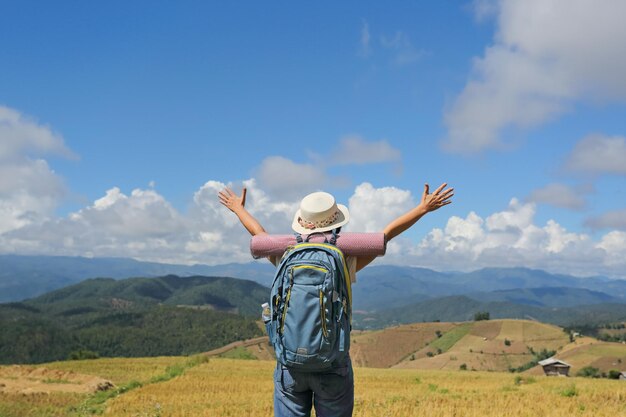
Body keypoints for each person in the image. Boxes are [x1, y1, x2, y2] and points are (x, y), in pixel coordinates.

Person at [218, 182, 453, 417]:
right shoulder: (343, 260)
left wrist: (238, 209)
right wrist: (422, 209)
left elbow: (259, 236)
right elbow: (385, 236)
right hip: (332, 364)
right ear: (336, 226)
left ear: (301, 223)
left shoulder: (285, 256)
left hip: (289, 364)